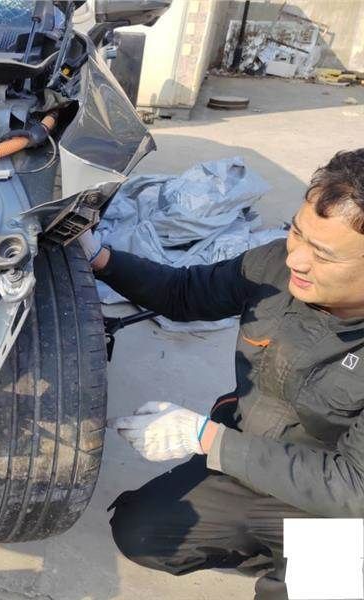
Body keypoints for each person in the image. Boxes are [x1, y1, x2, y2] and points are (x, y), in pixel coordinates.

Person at [79, 148, 364, 600]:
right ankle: (281, 550)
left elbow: (352, 487)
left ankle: (327, 564)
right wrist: (101, 259)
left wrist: (208, 439)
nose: (297, 259)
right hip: (252, 460)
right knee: (143, 533)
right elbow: (184, 293)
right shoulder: (275, 266)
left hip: (336, 501)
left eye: (324, 255)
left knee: (318, 583)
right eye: (297, 232)